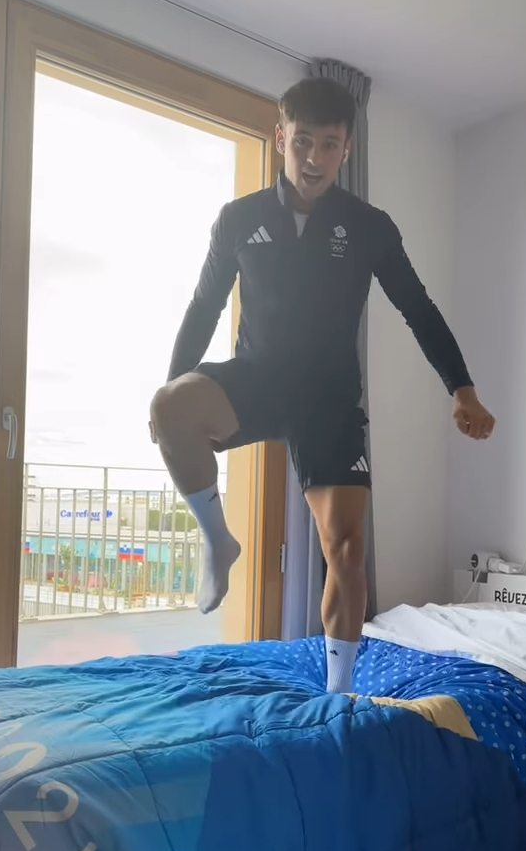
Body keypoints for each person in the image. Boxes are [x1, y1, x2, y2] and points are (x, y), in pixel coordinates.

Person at [150, 76, 495, 694]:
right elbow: (203, 308)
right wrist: (175, 383)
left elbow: (417, 308)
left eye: (329, 145)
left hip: (329, 398)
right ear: (281, 137)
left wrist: (462, 388)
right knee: (169, 405)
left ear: (346, 150)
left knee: (347, 547)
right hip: (256, 379)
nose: (313, 158)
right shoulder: (239, 219)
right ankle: (219, 543)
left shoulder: (369, 226)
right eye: (303, 141)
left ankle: (338, 694)